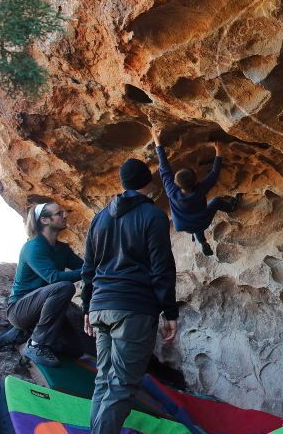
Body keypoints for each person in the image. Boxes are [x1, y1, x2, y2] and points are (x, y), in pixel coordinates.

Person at [81, 157, 179, 434]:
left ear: (122, 184)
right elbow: (162, 269)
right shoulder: (153, 216)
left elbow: (88, 268)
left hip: (100, 306)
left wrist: (87, 308)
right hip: (133, 308)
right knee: (122, 385)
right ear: (149, 183)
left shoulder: (99, 218)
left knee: (104, 380)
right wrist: (169, 312)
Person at [7, 201, 85, 367]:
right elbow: (54, 278)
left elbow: (84, 268)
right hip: (20, 309)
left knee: (75, 349)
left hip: (43, 307)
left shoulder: (62, 249)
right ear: (44, 220)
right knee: (64, 286)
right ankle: (36, 345)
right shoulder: (33, 247)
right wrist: (89, 271)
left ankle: (24, 334)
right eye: (58, 213)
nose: (65, 215)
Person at [152, 127, 238, 256]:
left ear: (176, 183)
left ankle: (203, 243)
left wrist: (157, 140)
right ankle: (231, 207)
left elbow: (164, 167)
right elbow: (214, 174)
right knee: (216, 202)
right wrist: (219, 152)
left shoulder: (171, 191)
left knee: (195, 224)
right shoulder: (200, 190)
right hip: (201, 220)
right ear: (196, 180)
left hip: (183, 225)